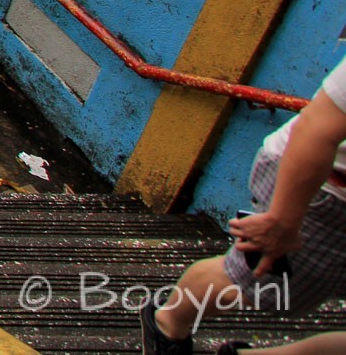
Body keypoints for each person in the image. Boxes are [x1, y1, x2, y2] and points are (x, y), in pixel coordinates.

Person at [144, 53, 346, 355]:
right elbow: (317, 128)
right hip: (322, 188)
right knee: (255, 284)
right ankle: (167, 323)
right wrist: (283, 220)